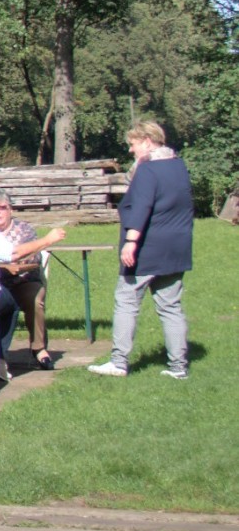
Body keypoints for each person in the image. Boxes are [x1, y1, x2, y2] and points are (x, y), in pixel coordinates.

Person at [89, 120, 194, 379]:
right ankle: (179, 367)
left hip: (147, 248)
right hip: (176, 248)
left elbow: (142, 206)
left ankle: (118, 362)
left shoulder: (148, 170)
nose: (130, 150)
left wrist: (131, 241)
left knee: (126, 301)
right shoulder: (178, 166)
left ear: (147, 141)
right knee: (170, 306)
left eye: (133, 144)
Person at [0, 189, 54, 369]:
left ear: (11, 210)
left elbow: (33, 256)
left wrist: (12, 259)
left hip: (23, 281)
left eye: (2, 208)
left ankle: (39, 348)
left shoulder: (24, 229)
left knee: (34, 298)